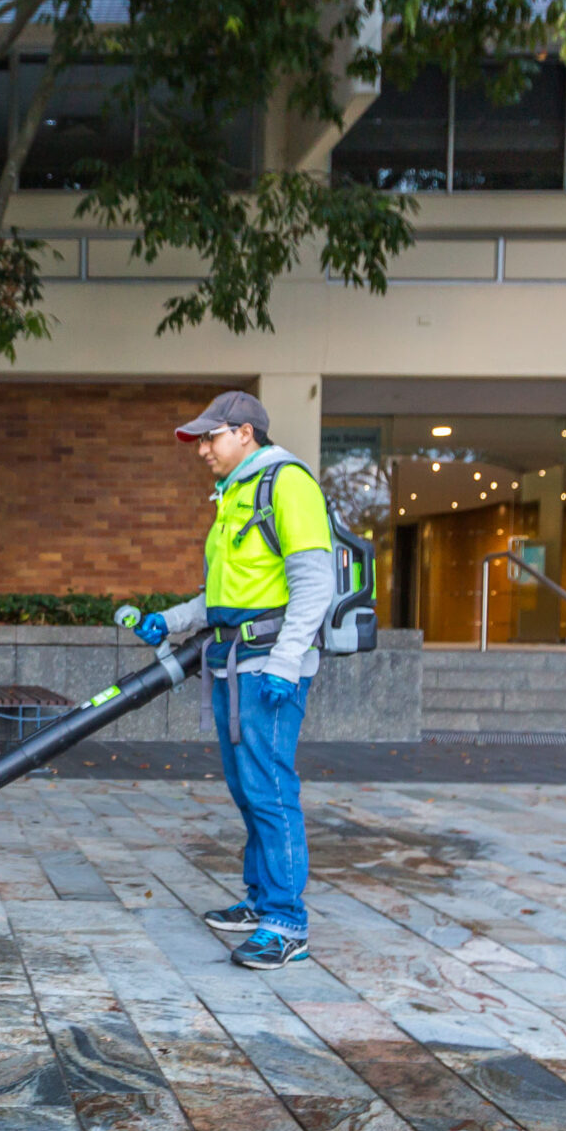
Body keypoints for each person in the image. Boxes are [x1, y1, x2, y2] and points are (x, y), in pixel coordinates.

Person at [131, 389, 333, 969]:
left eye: (210, 437)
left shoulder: (287, 484)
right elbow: (224, 597)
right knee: (248, 789)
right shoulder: (234, 495)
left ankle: (287, 923)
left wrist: (286, 662)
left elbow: (314, 584)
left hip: (266, 667)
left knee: (270, 789)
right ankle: (260, 899)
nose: (202, 450)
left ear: (245, 432)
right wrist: (168, 622)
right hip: (230, 664)